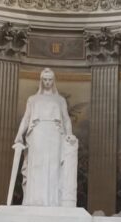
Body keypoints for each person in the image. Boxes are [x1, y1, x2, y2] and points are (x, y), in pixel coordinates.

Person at [13, 68, 77, 207]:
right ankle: (34, 200)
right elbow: (26, 118)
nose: (47, 82)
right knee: (36, 165)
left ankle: (53, 201)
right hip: (37, 133)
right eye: (45, 80)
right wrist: (19, 135)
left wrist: (70, 134)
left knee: (53, 167)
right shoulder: (33, 99)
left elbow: (66, 119)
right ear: (41, 81)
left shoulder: (60, 100)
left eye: (50, 80)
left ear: (54, 81)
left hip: (55, 134)